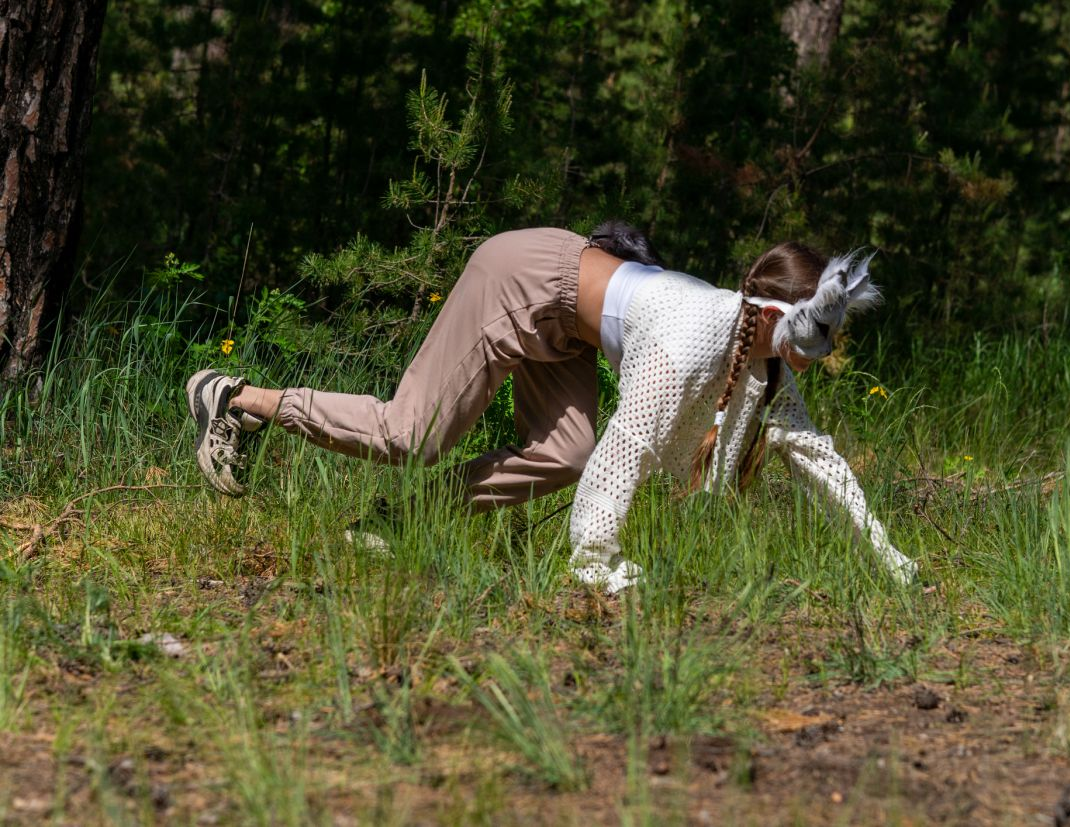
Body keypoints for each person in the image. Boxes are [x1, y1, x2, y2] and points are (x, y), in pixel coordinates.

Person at [186, 224, 917, 593]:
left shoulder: (756, 361)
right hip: (526, 278)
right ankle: (238, 399)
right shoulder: (697, 335)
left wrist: (891, 560)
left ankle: (394, 521)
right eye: (820, 335)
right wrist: (595, 562)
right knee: (411, 434)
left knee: (563, 452)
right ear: (781, 318)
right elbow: (626, 447)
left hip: (567, 325)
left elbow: (818, 458)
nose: (823, 352)